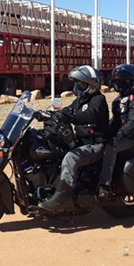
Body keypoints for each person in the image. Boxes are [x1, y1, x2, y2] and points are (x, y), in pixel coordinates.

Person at [38, 65, 109, 212]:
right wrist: (45, 114)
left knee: (71, 158)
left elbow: (91, 115)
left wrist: (71, 117)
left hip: (96, 145)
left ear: (91, 85)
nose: (77, 88)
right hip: (81, 142)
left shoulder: (98, 100)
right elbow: (66, 111)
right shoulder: (79, 101)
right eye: (75, 84)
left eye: (80, 84)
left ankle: (59, 198)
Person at [98, 64, 134, 200]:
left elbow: (133, 122)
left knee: (110, 148)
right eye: (118, 81)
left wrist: (118, 135)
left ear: (133, 82)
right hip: (118, 134)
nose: (121, 84)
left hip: (129, 137)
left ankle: (105, 185)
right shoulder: (117, 100)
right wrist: (102, 133)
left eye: (125, 81)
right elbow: (115, 121)